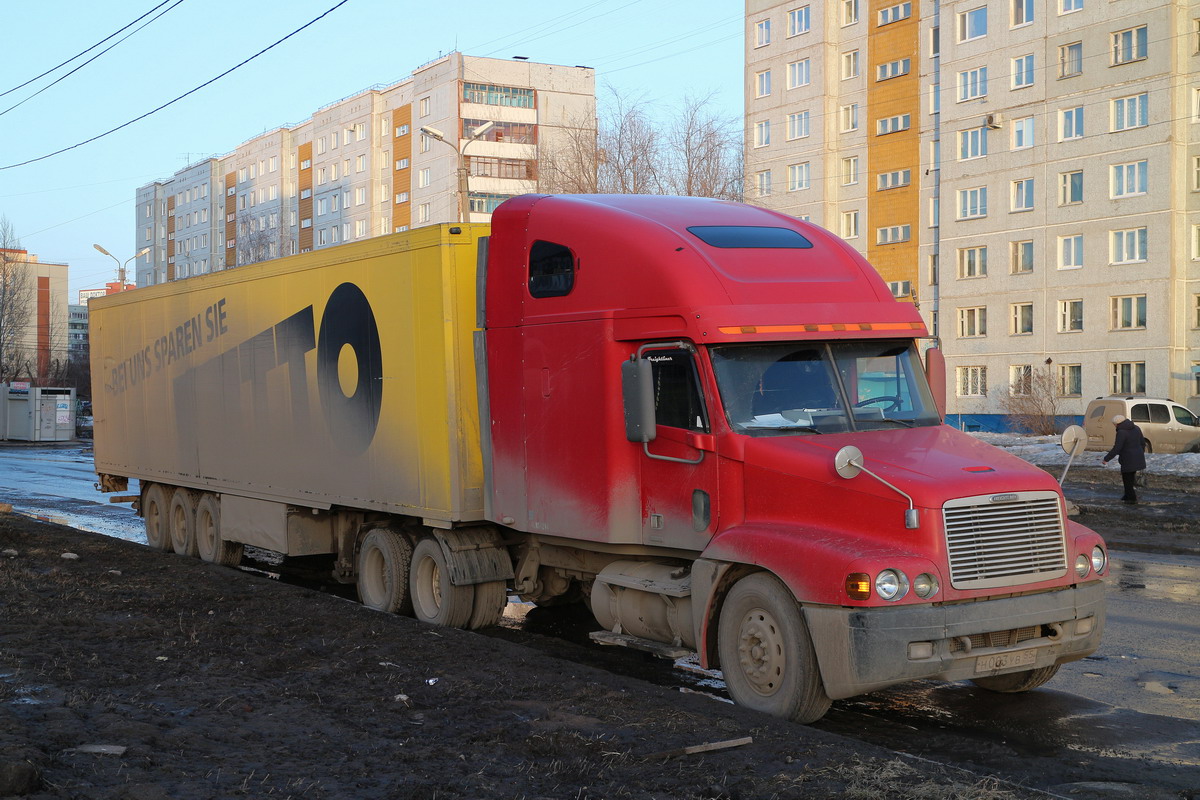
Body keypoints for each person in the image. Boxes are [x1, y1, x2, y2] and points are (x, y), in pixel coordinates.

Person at [1102, 414, 1146, 504]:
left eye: (1114, 424)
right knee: (1130, 478)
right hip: (1138, 457)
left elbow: (1117, 448)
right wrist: (1140, 453)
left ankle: (1131, 498)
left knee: (1127, 480)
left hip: (1128, 459)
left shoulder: (1121, 432)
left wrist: (1106, 458)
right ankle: (1127, 495)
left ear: (1117, 424)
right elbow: (1142, 442)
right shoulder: (1136, 428)